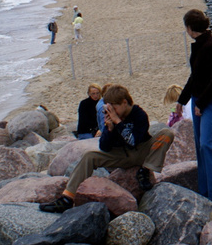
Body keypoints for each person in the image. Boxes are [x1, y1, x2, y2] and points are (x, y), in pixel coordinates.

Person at [40, 84, 175, 214]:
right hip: (121, 155)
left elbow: (134, 141)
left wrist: (118, 123)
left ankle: (145, 170)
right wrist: (109, 130)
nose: (111, 112)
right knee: (89, 156)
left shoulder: (139, 114)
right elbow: (104, 147)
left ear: (124, 102)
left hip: (141, 151)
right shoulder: (113, 117)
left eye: (114, 107)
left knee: (166, 134)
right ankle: (67, 198)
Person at [176, 9, 212, 208]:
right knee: (200, 147)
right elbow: (195, 77)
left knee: (207, 144)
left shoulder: (211, 47)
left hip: (209, 101)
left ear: (190, 28)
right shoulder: (199, 46)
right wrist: (182, 101)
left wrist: (201, 103)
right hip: (198, 99)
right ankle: (205, 192)